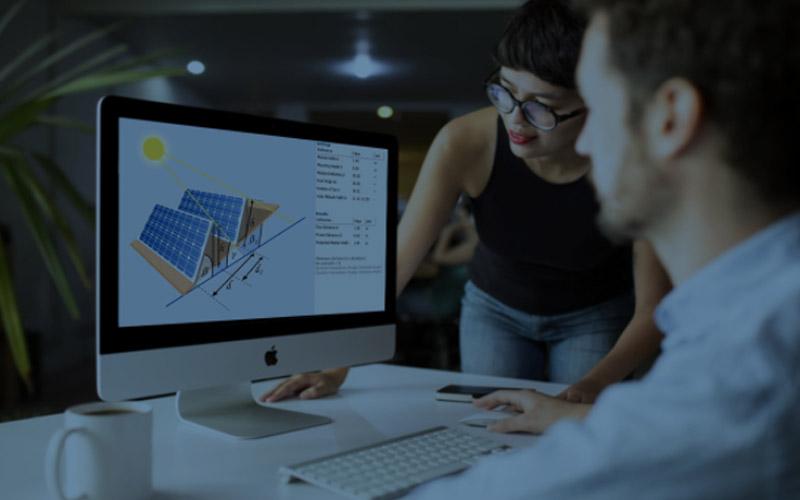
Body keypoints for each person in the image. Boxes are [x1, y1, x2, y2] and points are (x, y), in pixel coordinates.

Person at [408, 0, 800, 498]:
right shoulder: (762, 312)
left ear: (671, 117)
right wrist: (578, 415)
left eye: (597, 105)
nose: (587, 144)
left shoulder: (741, 379)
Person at [261, 0, 669, 405]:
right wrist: (335, 364)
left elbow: (652, 307)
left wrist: (593, 390)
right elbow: (397, 264)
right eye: (505, 93)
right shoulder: (464, 142)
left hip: (594, 313)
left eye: (542, 107)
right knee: (489, 427)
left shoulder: (632, 160)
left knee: (574, 429)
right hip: (495, 308)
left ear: (597, 103)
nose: (515, 120)